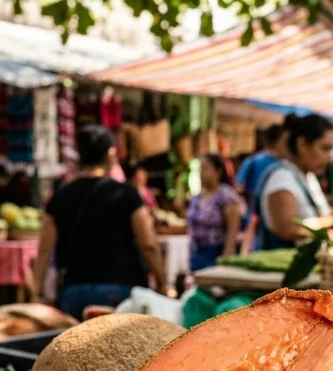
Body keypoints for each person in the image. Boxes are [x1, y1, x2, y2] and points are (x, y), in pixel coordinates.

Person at [33, 125, 166, 319]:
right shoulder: (126, 194)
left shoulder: (60, 196)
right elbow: (149, 245)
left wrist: (37, 292)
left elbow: (45, 249)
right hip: (120, 289)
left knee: (76, 348)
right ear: (110, 154)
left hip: (74, 290)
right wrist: (162, 283)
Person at [258, 114, 333, 248]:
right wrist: (331, 221)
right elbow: (288, 229)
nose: (330, 157)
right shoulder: (282, 179)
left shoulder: (308, 178)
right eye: (325, 148)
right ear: (302, 145)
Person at [186, 154, 244, 271]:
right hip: (197, 252)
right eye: (200, 169)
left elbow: (232, 229)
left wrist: (227, 255)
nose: (202, 173)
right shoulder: (197, 197)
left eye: (206, 169)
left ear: (218, 171)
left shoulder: (226, 195)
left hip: (216, 251)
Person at [236, 123, 289, 221]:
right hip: (256, 217)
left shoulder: (285, 164)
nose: (288, 146)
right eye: (285, 141)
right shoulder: (253, 162)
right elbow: (239, 188)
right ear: (275, 142)